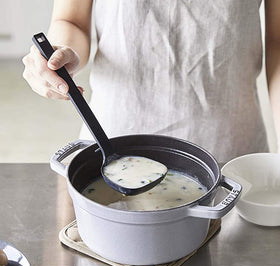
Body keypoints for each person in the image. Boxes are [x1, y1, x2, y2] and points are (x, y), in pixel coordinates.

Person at [22, 0, 280, 163]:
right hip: (113, 141)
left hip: (230, 146)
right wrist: (61, 53)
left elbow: (277, 40)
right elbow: (72, 19)